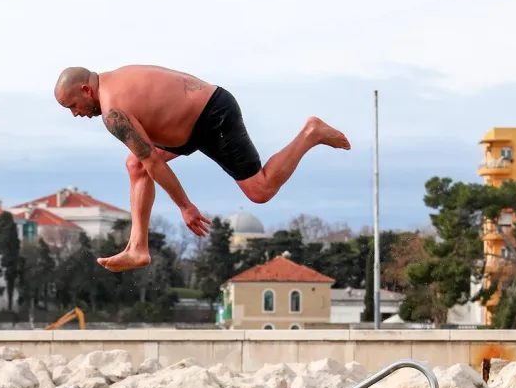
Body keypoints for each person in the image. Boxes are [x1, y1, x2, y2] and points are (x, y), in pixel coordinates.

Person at [54, 64, 350, 273]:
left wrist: (185, 206)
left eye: (73, 106)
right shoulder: (114, 79)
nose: (76, 114)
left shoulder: (113, 110)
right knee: (135, 165)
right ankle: (138, 248)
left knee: (260, 190)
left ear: (84, 89)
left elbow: (154, 162)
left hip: (212, 118)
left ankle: (311, 133)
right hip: (191, 122)